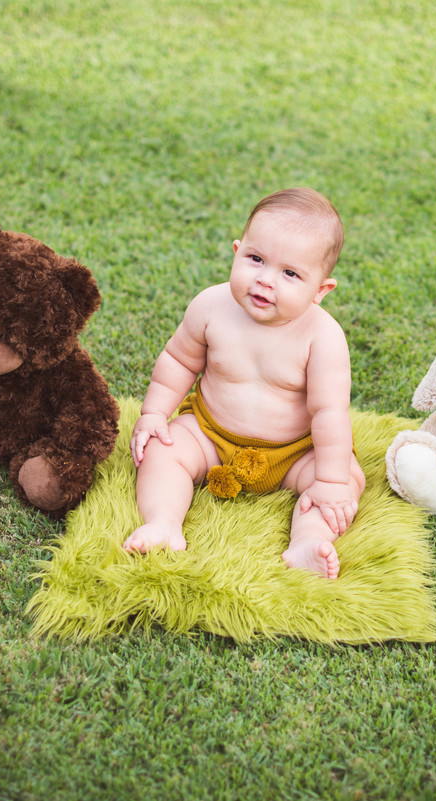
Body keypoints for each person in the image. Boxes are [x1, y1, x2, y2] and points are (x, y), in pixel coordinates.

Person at [123, 187, 365, 579]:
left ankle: (308, 541)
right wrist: (153, 413)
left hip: (293, 453)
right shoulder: (210, 307)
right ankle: (164, 522)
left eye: (290, 273)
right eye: (256, 259)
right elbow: (179, 361)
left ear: (320, 290)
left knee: (345, 481)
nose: (265, 280)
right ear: (237, 252)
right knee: (162, 450)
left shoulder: (323, 337)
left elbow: (329, 413)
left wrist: (331, 480)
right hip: (210, 435)